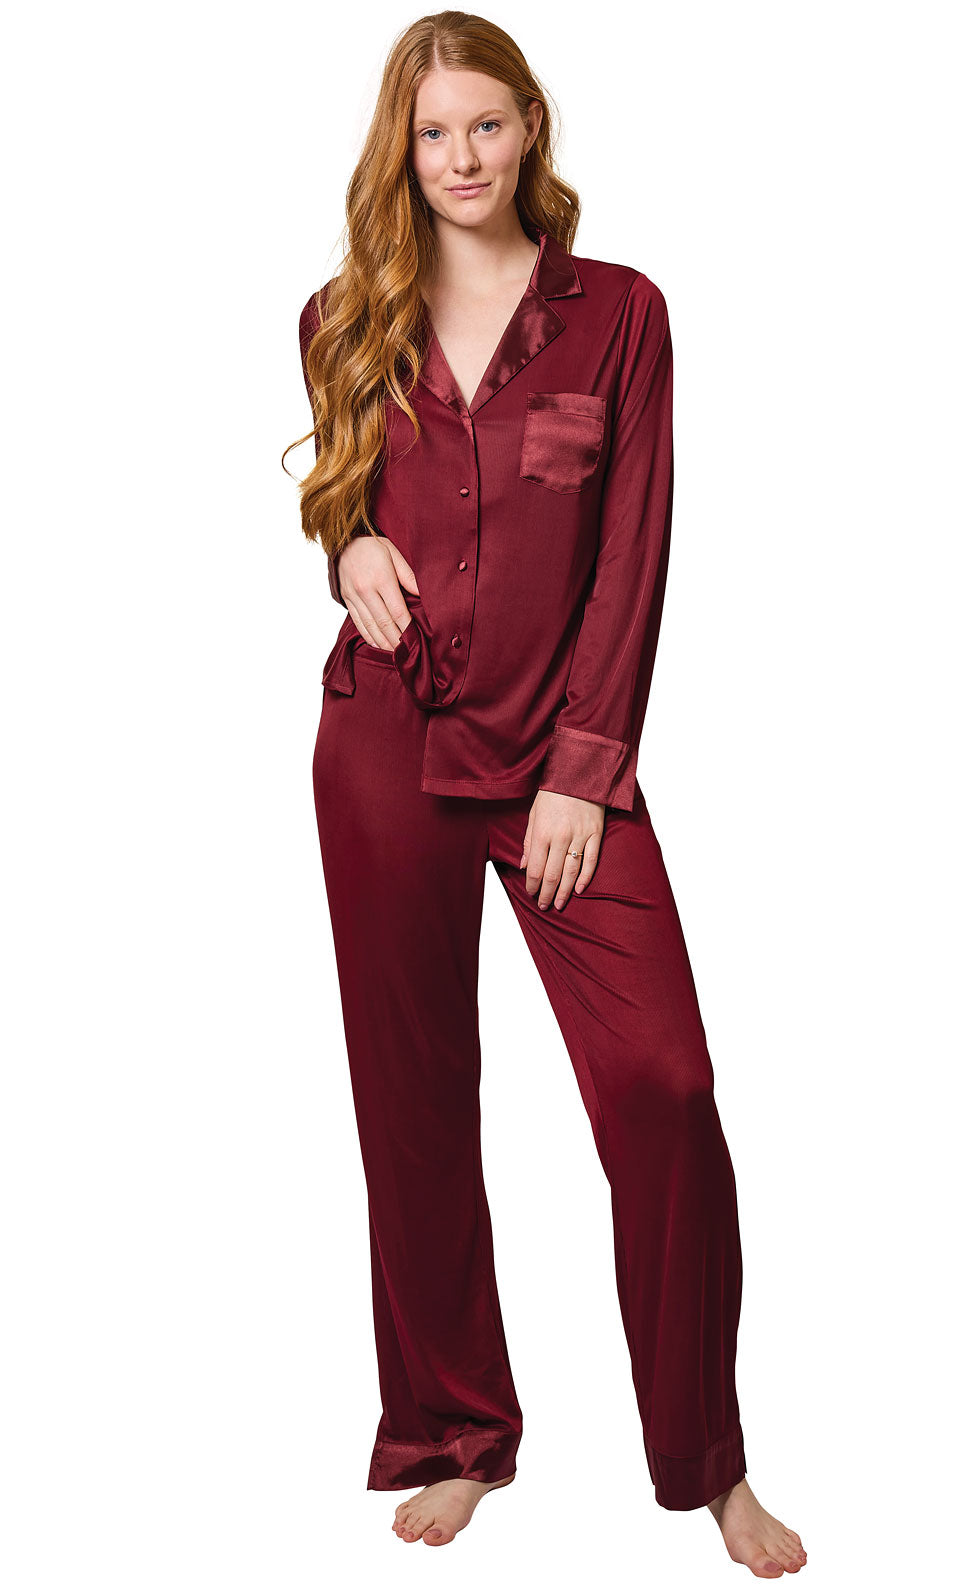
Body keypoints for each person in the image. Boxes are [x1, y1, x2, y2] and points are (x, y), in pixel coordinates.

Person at [287, 11, 806, 1578]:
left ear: (530, 129)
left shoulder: (619, 315)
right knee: (413, 1099)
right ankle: (455, 1431)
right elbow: (348, 511)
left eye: (486, 126)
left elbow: (630, 556)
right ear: (402, 149)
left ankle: (708, 1462)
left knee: (663, 1087)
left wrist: (585, 771)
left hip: (558, 766)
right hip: (383, 744)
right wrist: (346, 546)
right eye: (432, 133)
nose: (461, 158)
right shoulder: (341, 316)